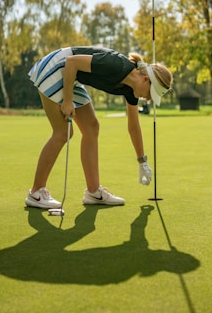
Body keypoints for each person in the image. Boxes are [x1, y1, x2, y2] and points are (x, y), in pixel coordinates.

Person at [25, 46, 173, 209]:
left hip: (70, 76)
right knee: (62, 132)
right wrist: (67, 100)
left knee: (92, 127)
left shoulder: (131, 90)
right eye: (151, 93)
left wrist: (142, 162)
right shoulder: (116, 65)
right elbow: (72, 62)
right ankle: (36, 193)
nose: (148, 98)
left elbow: (133, 125)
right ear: (145, 79)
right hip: (56, 66)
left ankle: (93, 192)